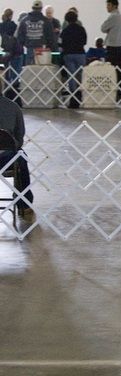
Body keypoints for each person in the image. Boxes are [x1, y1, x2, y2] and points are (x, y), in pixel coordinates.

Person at [0, 83, 35, 221]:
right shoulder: (14, 107)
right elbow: (19, 137)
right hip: (7, 158)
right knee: (21, 157)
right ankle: (24, 203)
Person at [60, 10, 86, 109]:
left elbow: (60, 43)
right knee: (80, 76)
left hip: (69, 54)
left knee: (71, 76)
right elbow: (84, 41)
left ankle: (73, 99)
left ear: (66, 20)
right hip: (80, 54)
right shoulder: (81, 29)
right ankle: (80, 95)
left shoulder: (65, 31)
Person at [100, 0, 121, 102]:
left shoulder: (113, 17)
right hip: (120, 46)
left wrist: (108, 29)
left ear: (114, 6)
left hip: (113, 47)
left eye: (109, 5)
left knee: (111, 70)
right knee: (119, 70)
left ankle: (112, 92)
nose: (107, 7)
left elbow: (103, 28)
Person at [16, 0, 55, 65]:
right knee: (41, 68)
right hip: (42, 48)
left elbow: (20, 36)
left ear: (32, 8)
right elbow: (51, 35)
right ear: (41, 8)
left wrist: (22, 45)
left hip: (29, 48)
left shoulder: (24, 20)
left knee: (30, 68)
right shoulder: (46, 21)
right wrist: (50, 46)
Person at [0, 10, 23, 99]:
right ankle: (14, 93)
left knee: (6, 73)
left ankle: (5, 91)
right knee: (15, 74)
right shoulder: (14, 26)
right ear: (11, 16)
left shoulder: (1, 26)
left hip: (5, 52)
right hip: (15, 52)